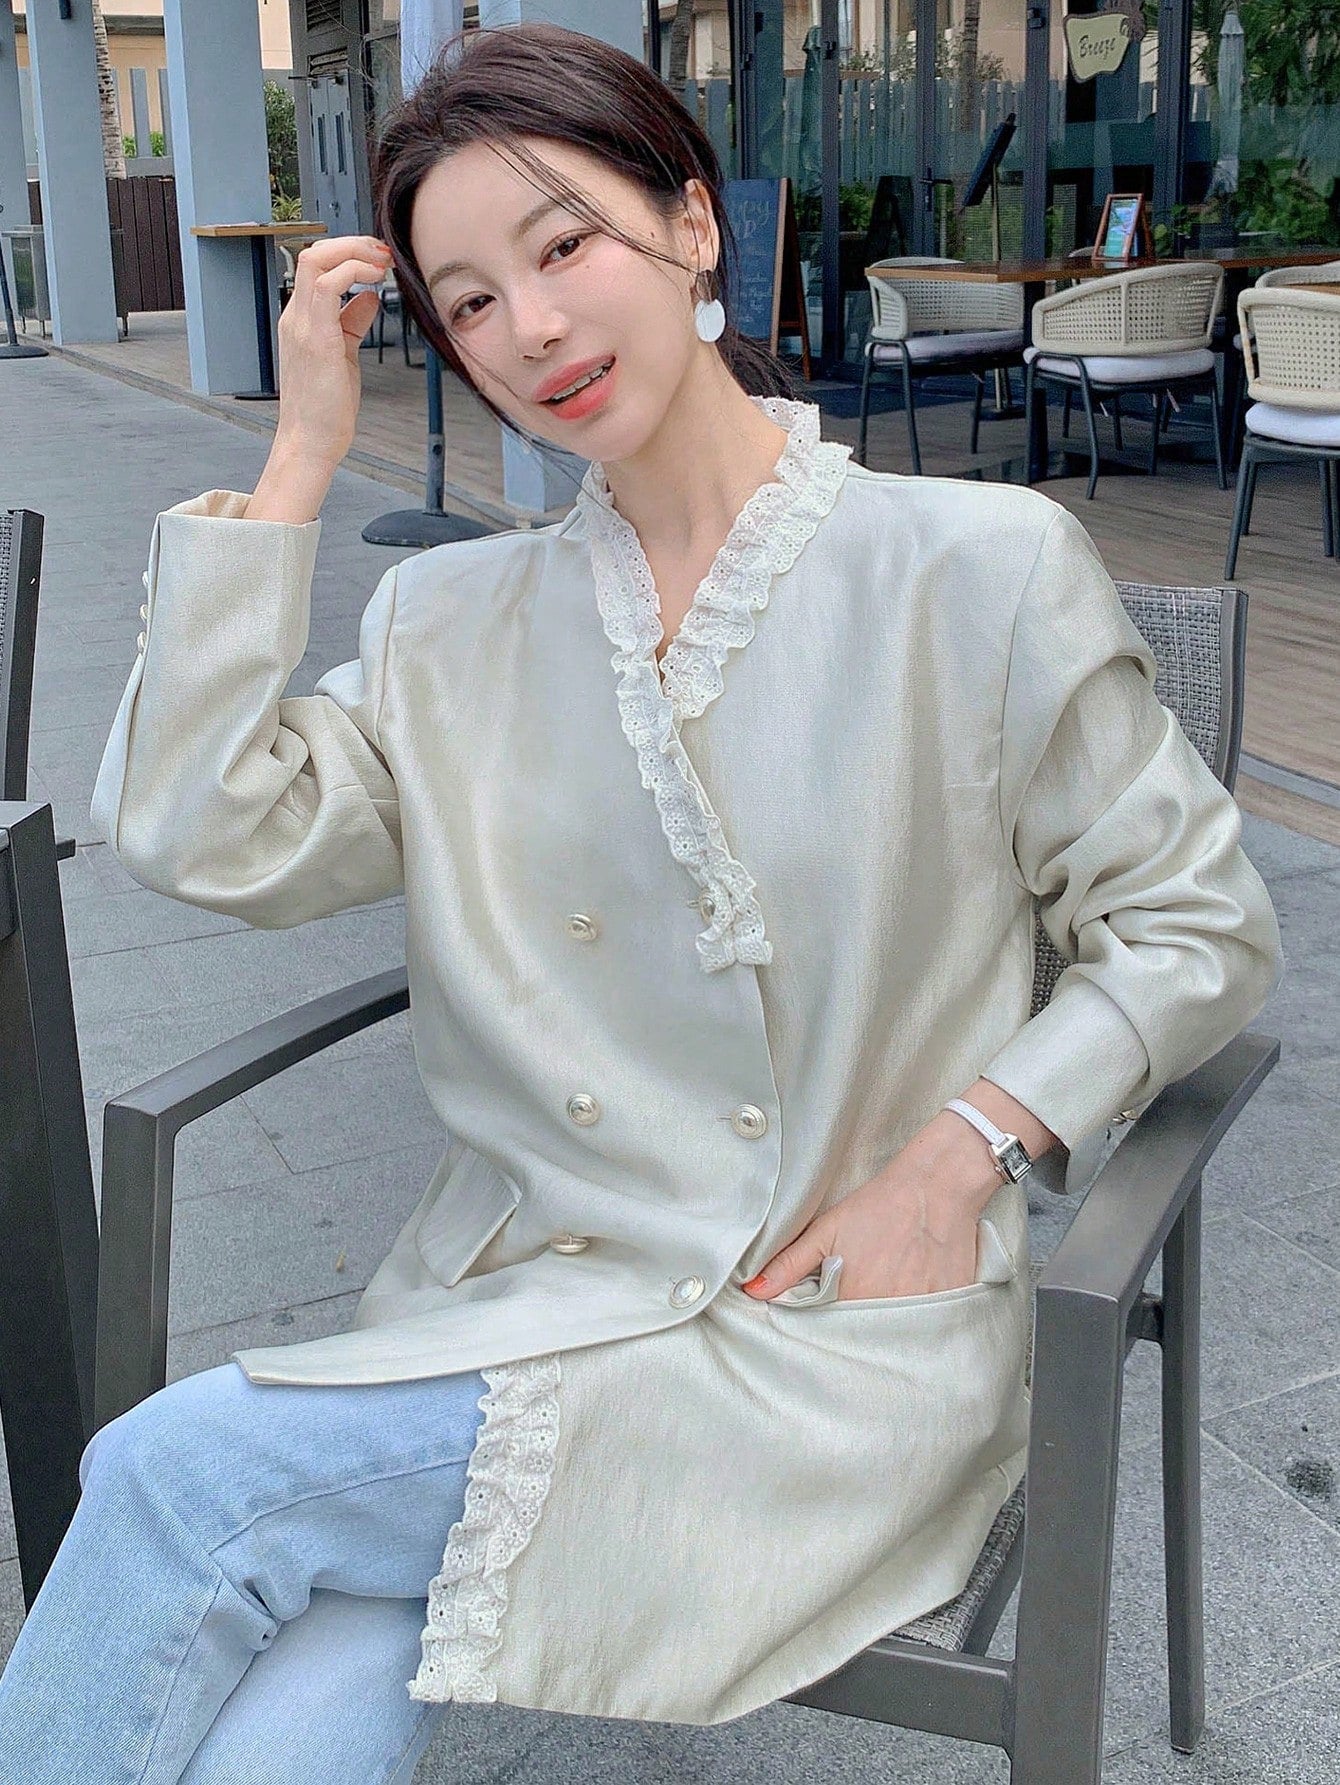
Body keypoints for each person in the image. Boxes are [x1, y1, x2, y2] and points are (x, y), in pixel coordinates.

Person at [0, 20, 1281, 1784]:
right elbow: (196, 833)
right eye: (467, 300)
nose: (528, 327)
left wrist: (964, 1149)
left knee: (175, 1472)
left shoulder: (973, 572)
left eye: (564, 245)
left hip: (823, 1332)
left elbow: (1200, 923)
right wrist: (294, 464)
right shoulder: (451, 625)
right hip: (520, 1300)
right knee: (290, 1706)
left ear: (692, 226)